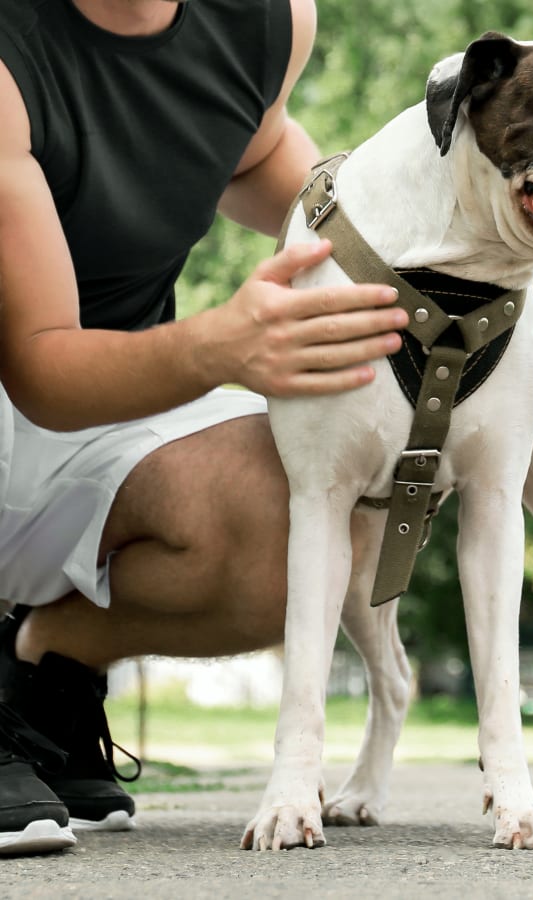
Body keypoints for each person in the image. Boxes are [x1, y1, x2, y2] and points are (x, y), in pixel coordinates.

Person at [0, 0, 408, 854]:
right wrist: (220, 346)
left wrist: (501, 236)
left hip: (106, 390)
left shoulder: (265, 19)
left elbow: (274, 173)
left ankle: (39, 667)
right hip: (36, 376)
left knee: (323, 510)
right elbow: (37, 365)